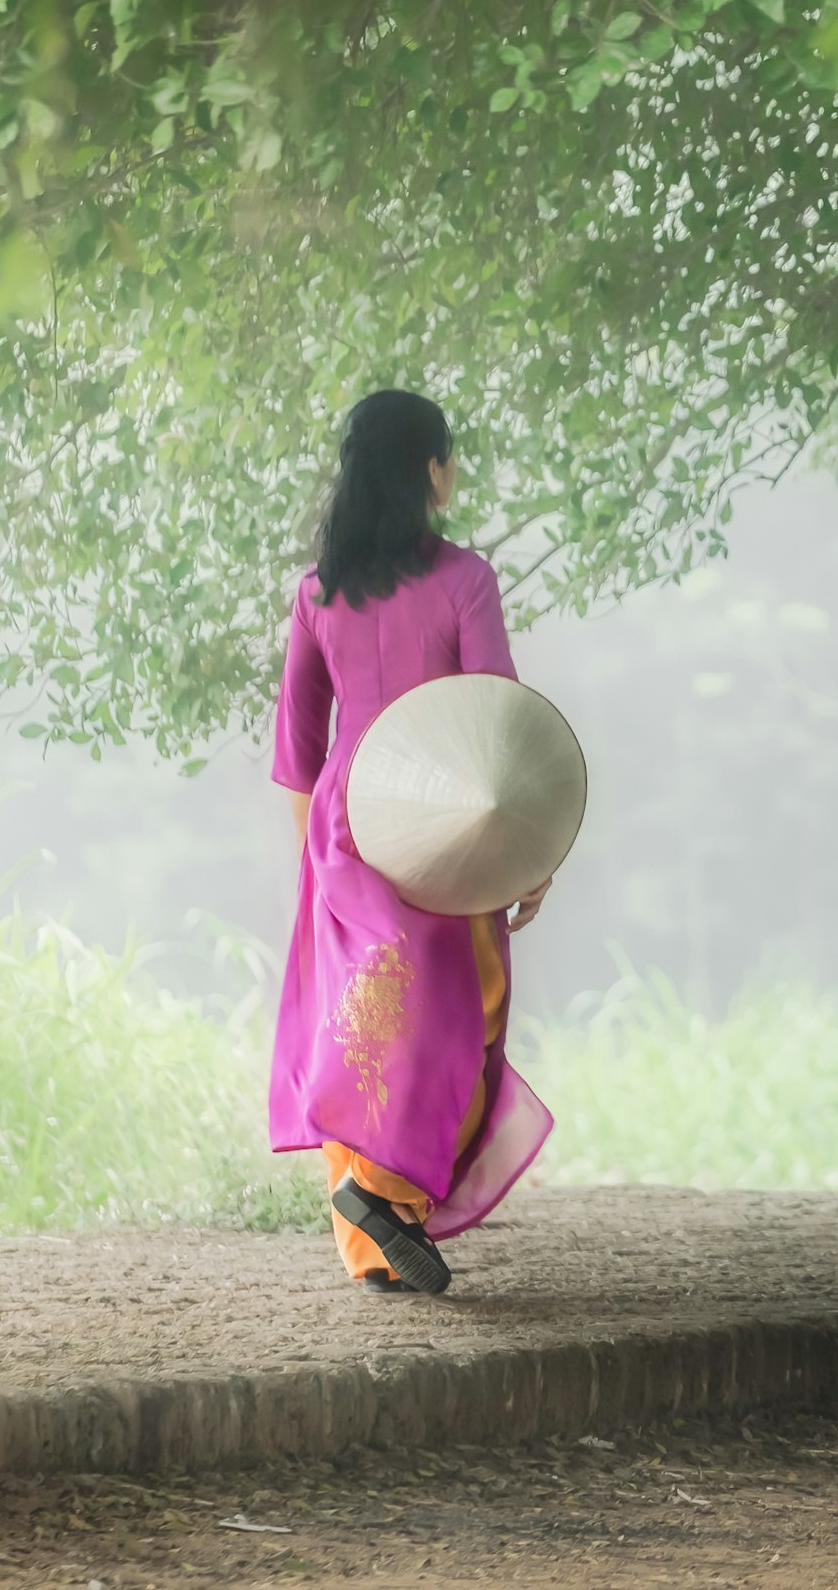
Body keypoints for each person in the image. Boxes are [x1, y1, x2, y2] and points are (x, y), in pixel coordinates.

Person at [266, 389, 554, 1293]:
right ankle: (383, 1197)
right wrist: (528, 852)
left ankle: (371, 1236)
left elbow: (296, 747)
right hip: (443, 810)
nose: (455, 473)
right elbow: (496, 724)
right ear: (430, 470)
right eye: (451, 458)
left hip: (349, 819)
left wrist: (314, 865)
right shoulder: (464, 580)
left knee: (362, 1017)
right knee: (464, 1012)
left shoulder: (319, 592)